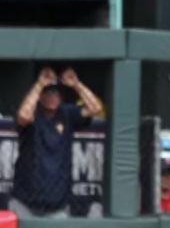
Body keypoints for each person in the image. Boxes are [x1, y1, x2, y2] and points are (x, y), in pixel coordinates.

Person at [10, 67, 103, 218]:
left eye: (55, 93)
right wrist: (39, 84)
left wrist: (76, 84)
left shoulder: (67, 113)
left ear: (61, 97)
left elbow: (95, 108)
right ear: (40, 97)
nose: (52, 97)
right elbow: (23, 117)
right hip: (24, 202)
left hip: (57, 205)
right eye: (47, 93)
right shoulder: (33, 113)